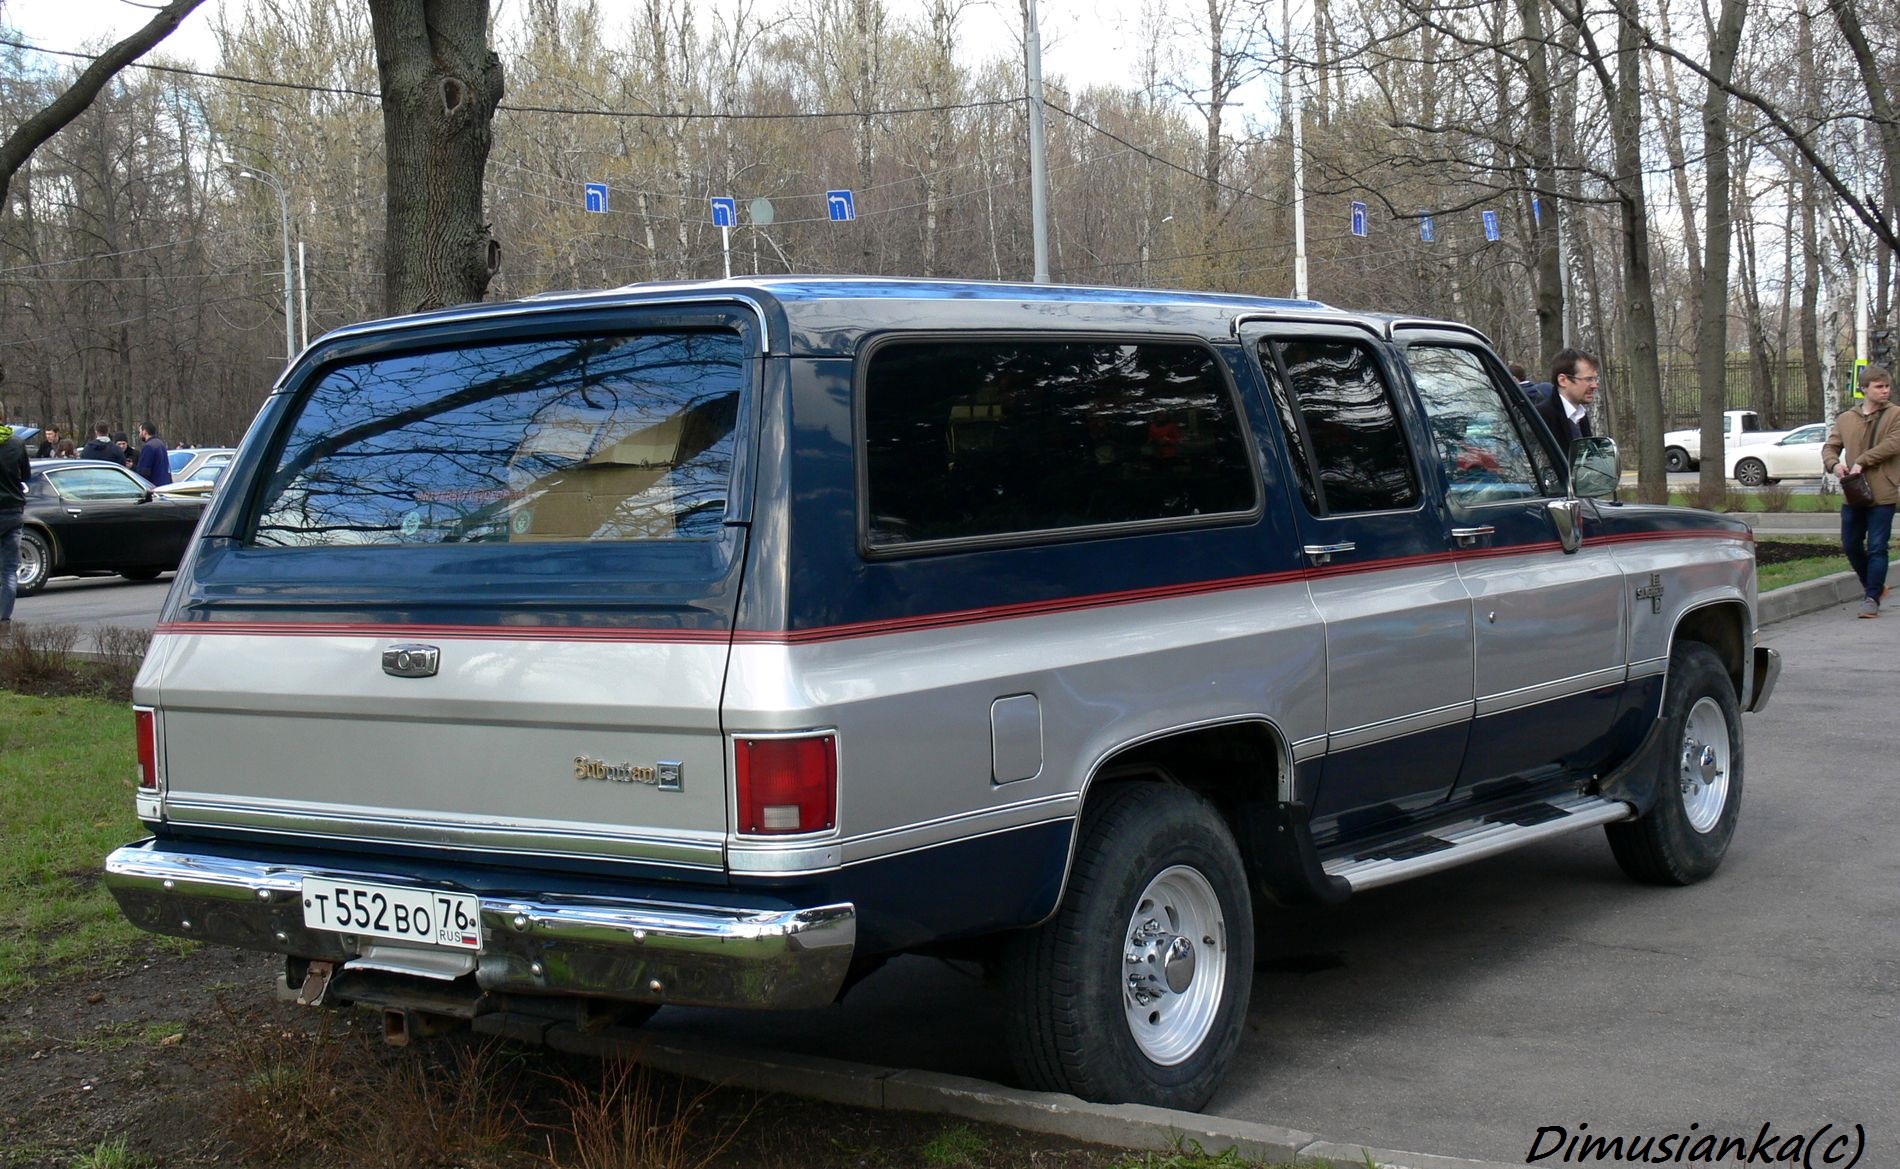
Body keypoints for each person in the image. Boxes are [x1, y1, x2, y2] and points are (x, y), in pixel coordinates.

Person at [1822, 366, 1899, 618]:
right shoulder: (1846, 418)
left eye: (1887, 386)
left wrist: (1863, 460)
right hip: (1853, 492)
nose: (1885, 390)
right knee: (1851, 545)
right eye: (1879, 386)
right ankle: (1874, 588)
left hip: (1883, 491)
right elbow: (1830, 447)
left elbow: (1893, 443)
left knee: (1877, 546)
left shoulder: (1895, 414)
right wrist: (1834, 465)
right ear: (1864, 389)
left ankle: (1871, 598)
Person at [1531, 347, 1599, 451]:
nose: (1594, 385)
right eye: (1588, 379)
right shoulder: (1539, 418)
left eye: (1595, 379)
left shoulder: (1580, 417)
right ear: (1563, 380)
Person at [1, 406, 30, 634]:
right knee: (9, 569)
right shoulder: (17, 443)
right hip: (12, 510)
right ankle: (4, 621)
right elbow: (26, 475)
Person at [134, 421, 172, 486]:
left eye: (140, 432)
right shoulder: (160, 444)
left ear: (144, 432)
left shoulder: (149, 447)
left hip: (154, 486)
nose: (139, 434)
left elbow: (144, 471)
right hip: (164, 485)